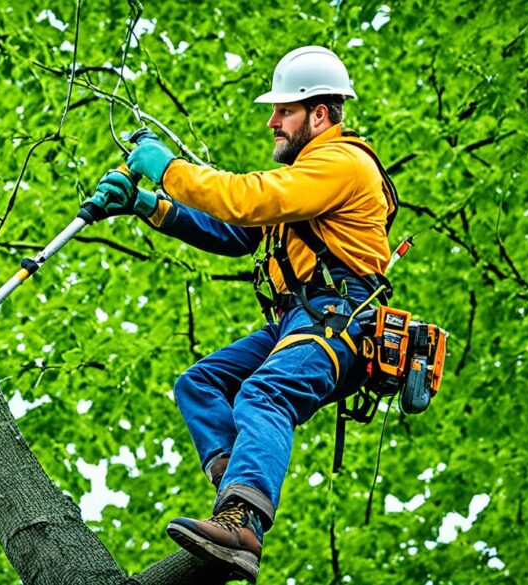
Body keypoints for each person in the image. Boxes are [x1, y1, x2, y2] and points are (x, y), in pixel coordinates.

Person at [86, 46, 397, 582]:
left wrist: (171, 171)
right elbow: (235, 235)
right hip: (296, 320)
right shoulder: (304, 179)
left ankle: (244, 522)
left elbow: (245, 200)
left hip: (341, 317)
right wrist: (148, 205)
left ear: (318, 114)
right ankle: (236, 495)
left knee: (263, 392)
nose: (273, 121)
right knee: (199, 384)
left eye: (284, 111)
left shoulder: (341, 162)